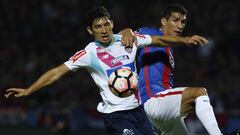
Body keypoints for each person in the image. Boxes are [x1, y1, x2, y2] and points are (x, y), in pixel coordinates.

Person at [4, 6, 207, 135]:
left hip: (138, 111)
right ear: (90, 31)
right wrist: (29, 90)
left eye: (106, 24)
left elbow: (161, 39)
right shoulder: (88, 53)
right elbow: (57, 71)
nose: (103, 30)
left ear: (112, 24)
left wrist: (185, 40)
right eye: (98, 27)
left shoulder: (128, 40)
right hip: (116, 116)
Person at [121, 3, 223, 135]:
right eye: (175, 20)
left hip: (164, 110)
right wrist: (127, 30)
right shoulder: (150, 33)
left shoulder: (169, 48)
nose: (180, 26)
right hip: (153, 99)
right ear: (163, 21)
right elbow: (124, 36)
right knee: (199, 92)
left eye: (183, 22)